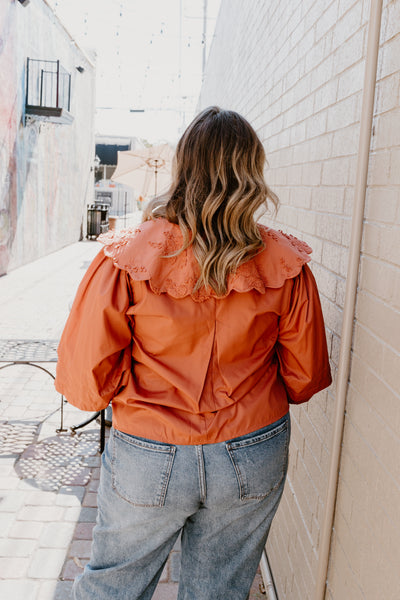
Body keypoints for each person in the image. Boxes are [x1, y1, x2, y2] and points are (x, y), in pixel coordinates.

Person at [55, 106, 331, 600]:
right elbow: (305, 378)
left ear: (185, 168)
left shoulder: (126, 257)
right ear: (252, 171)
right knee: (220, 591)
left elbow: (84, 383)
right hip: (251, 448)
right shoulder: (286, 262)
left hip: (147, 449)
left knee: (111, 587)